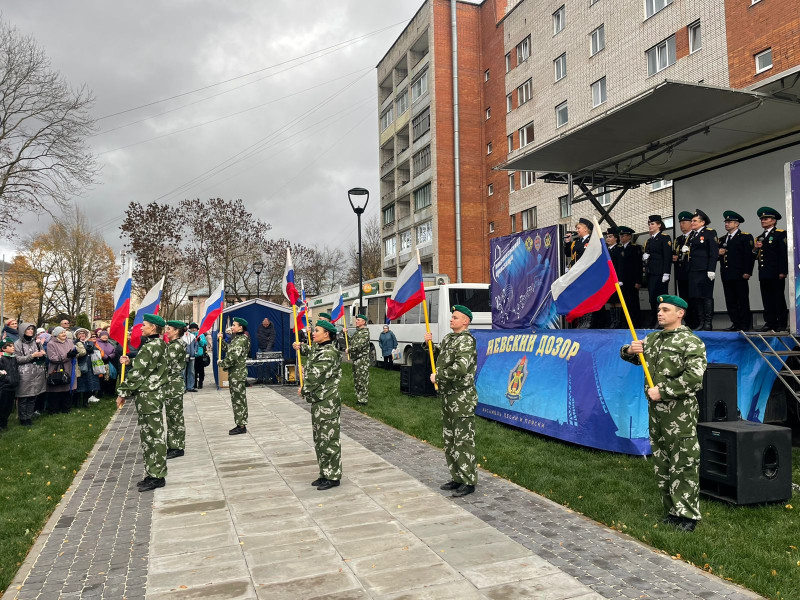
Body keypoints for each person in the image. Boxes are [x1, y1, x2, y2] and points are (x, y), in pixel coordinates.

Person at [620, 295, 706, 532]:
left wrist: (665, 391)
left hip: (679, 414)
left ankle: (688, 515)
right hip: (656, 413)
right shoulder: (654, 339)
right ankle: (672, 510)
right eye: (659, 309)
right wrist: (629, 349)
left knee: (684, 462)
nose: (660, 313)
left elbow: (695, 379)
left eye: (666, 309)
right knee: (662, 462)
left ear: (680, 313)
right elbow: (633, 358)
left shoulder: (691, 342)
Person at [424, 305, 478, 498]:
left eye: (455, 317)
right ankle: (457, 477)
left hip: (461, 397)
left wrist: (438, 377)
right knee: (450, 440)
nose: (451, 320)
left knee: (463, 440)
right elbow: (441, 358)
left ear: (465, 321)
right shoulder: (449, 339)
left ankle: (468, 480)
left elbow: (460, 368)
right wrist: (429, 344)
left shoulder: (466, 341)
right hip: (448, 397)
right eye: (451, 317)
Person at [117, 314, 169, 492]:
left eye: (144, 325)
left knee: (152, 435)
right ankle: (153, 472)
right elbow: (148, 366)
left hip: (148, 395)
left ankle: (157, 476)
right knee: (150, 435)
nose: (140, 327)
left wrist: (123, 392)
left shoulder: (151, 346)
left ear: (153, 327)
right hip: (151, 394)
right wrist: (131, 360)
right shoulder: (158, 344)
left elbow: (138, 373)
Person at [293, 320, 342, 490]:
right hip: (319, 401)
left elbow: (315, 375)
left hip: (327, 401)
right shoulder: (321, 349)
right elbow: (312, 355)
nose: (313, 333)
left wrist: (304, 389)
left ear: (326, 334)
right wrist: (301, 347)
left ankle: (333, 476)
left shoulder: (329, 353)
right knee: (320, 439)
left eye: (317, 331)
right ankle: (324, 473)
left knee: (329, 439)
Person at [719, 211, 755, 331]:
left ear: (737, 224)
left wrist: (747, 271)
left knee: (742, 300)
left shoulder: (745, 237)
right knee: (730, 300)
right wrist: (719, 254)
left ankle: (745, 324)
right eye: (726, 222)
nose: (726, 224)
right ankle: (735, 323)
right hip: (726, 274)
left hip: (740, 274)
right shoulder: (722, 239)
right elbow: (719, 257)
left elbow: (748, 256)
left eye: (729, 222)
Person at [754, 206, 788, 332]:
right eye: (762, 219)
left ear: (773, 221)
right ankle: (770, 322)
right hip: (764, 273)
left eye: (766, 219)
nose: (763, 221)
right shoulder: (760, 237)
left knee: (778, 298)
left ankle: (781, 322)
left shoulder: (780, 234)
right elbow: (754, 256)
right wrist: (756, 248)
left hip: (776, 272)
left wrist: (783, 271)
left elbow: (783, 253)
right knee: (767, 299)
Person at [686, 209, 719, 331]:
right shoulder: (692, 235)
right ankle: (701, 322)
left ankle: (708, 323)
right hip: (694, 270)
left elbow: (714, 252)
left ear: (702, 222)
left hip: (705, 270)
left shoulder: (709, 233)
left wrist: (711, 269)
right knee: (696, 296)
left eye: (695, 221)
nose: (692, 223)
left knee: (706, 296)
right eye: (692, 221)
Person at [219, 317, 250, 435]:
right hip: (234, 374)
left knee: (239, 400)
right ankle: (240, 423)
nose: (232, 327)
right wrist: (221, 341)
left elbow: (233, 358)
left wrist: (222, 363)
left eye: (234, 325)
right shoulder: (236, 338)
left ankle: (241, 425)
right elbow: (229, 351)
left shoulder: (242, 340)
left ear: (241, 327)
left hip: (238, 374)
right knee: (236, 399)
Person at [642, 215, 672, 328]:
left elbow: (667, 256)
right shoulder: (649, 241)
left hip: (660, 272)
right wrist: (645, 258)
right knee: (652, 298)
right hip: (651, 272)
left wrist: (666, 272)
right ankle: (654, 319)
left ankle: (662, 321)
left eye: (652, 224)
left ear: (659, 225)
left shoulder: (665, 237)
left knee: (661, 298)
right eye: (649, 224)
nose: (650, 226)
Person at [14, 323, 46, 426]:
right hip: (24, 373)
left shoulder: (36, 342)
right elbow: (17, 359)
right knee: (24, 397)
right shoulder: (17, 344)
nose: (31, 331)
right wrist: (32, 356)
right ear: (23, 331)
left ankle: (29, 416)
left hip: (37, 372)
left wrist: (42, 354)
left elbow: (42, 353)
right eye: (28, 329)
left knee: (33, 396)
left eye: (32, 329)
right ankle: (23, 418)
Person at [164, 320, 188, 459]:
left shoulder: (175, 346)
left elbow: (165, 364)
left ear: (176, 331)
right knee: (172, 417)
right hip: (171, 383)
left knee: (175, 417)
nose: (166, 331)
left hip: (173, 384)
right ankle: (173, 445)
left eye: (169, 329)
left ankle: (177, 447)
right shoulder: (174, 345)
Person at [46, 326, 78, 413]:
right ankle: (54, 409)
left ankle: (66, 408)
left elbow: (74, 352)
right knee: (56, 390)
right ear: (56, 335)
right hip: (57, 369)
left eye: (64, 332)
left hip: (69, 367)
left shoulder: (69, 342)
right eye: (61, 333)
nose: (64, 334)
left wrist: (74, 354)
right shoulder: (51, 344)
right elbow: (52, 357)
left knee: (67, 389)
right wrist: (66, 356)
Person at [569, 218, 594, 328]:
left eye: (578, 228)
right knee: (579, 298)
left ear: (585, 228)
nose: (577, 230)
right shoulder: (577, 242)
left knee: (587, 298)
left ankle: (588, 322)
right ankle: (581, 321)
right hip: (578, 275)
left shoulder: (592, 240)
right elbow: (572, 255)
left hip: (587, 274)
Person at [618, 226, 643, 327]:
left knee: (633, 302)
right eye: (620, 235)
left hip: (632, 280)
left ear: (629, 236)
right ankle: (625, 323)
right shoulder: (619, 248)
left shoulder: (635, 248)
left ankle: (635, 323)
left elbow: (638, 266)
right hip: (622, 280)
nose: (621, 237)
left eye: (623, 235)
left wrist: (638, 281)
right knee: (624, 302)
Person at [672, 211, 694, 323]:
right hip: (681, 273)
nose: (682, 225)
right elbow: (674, 253)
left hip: (691, 272)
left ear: (691, 223)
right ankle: (688, 321)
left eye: (684, 222)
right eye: (680, 222)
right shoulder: (678, 239)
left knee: (693, 298)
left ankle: (695, 321)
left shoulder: (694, 236)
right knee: (683, 298)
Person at [74, 328, 100, 406]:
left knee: (88, 384)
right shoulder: (75, 343)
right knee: (79, 385)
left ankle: (85, 402)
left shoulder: (90, 343)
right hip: (79, 366)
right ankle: (77, 403)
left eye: (83, 334)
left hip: (89, 366)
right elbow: (79, 353)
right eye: (80, 334)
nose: (82, 335)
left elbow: (94, 350)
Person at [349, 314, 371, 405]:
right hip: (356, 359)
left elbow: (359, 345)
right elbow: (352, 341)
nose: (356, 321)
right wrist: (344, 333)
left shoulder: (365, 332)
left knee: (362, 379)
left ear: (363, 322)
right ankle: (359, 397)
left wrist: (349, 349)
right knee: (357, 379)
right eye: (356, 320)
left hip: (362, 359)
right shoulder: (358, 332)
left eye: (358, 320)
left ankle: (363, 399)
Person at [605, 228, 624, 329]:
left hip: (616, 279)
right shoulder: (607, 250)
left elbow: (621, 265)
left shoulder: (619, 249)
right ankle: (613, 321)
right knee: (611, 301)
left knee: (617, 301)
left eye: (610, 236)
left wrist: (620, 279)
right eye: (607, 237)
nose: (608, 239)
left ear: (616, 238)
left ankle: (617, 322)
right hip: (609, 279)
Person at [0, 339, 20, 431]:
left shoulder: (14, 358)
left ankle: (4, 423)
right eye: (10, 346)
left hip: (13, 385)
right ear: (3, 349)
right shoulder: (2, 359)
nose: (13, 347)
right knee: (2, 406)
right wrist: (6, 379)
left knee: (9, 407)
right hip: (4, 387)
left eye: (13, 346)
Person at [94, 329, 118, 396]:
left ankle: (108, 392)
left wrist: (110, 356)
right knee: (101, 378)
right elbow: (98, 351)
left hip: (108, 361)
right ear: (100, 336)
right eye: (103, 336)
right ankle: (100, 392)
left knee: (109, 377)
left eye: (106, 336)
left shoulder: (109, 343)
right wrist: (104, 356)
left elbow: (114, 352)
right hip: (100, 362)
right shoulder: (97, 343)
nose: (105, 337)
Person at [188, 323, 208, 389]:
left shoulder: (201, 335)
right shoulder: (188, 335)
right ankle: (194, 383)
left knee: (201, 370)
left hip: (199, 355)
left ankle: (200, 383)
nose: (193, 330)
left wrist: (199, 340)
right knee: (193, 370)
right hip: (192, 355)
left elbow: (204, 343)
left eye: (195, 328)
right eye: (192, 328)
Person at [182, 326, 198, 392]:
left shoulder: (192, 337)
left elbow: (196, 344)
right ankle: (183, 387)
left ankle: (190, 386)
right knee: (183, 372)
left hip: (192, 356)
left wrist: (195, 351)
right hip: (183, 357)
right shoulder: (181, 337)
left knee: (191, 371)